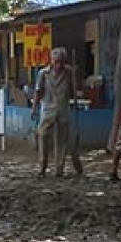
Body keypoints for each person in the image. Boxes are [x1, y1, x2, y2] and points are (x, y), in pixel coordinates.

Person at [32, 47, 83, 178]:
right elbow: (38, 91)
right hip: (47, 110)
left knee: (61, 140)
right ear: (51, 61)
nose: (58, 65)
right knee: (42, 136)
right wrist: (34, 108)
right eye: (56, 62)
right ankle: (42, 167)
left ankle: (59, 169)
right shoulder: (43, 73)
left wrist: (73, 77)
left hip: (63, 109)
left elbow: (73, 91)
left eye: (61, 62)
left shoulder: (68, 73)